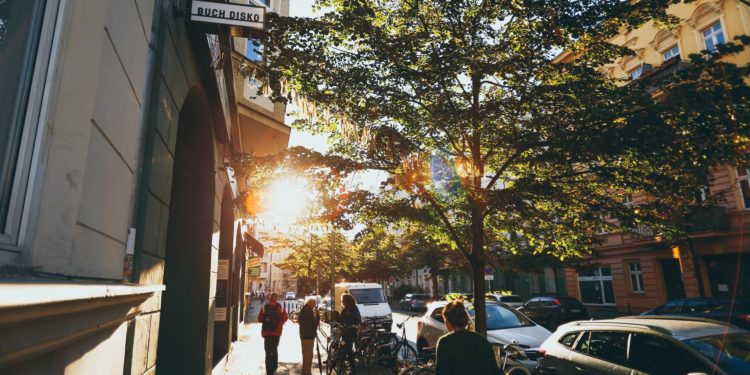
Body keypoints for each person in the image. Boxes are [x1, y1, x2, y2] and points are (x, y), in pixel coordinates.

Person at [435, 301, 497, 375]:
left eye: (445, 320)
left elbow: (441, 371)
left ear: (449, 322)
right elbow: (493, 368)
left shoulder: (444, 342)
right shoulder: (481, 339)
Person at [258, 292, 288, 375]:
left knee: (267, 350)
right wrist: (279, 323)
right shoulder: (280, 307)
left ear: (270, 298)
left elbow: (259, 319)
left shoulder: (264, 307)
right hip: (277, 332)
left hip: (267, 332)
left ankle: (269, 370)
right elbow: (285, 318)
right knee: (274, 349)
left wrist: (266, 321)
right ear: (277, 298)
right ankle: (274, 366)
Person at [336, 293, 361, 368]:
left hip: (350, 334)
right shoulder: (348, 309)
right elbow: (341, 319)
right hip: (346, 333)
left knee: (347, 350)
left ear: (347, 301)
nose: (342, 302)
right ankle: (342, 366)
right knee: (344, 349)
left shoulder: (352, 309)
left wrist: (350, 326)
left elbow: (357, 320)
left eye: (343, 301)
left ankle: (351, 369)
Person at [299, 297, 319, 375]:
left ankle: (305, 371)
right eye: (314, 304)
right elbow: (313, 324)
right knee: (308, 355)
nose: (315, 306)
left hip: (305, 335)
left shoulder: (305, 309)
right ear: (310, 303)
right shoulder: (307, 311)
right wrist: (317, 316)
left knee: (306, 354)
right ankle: (307, 372)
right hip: (308, 336)